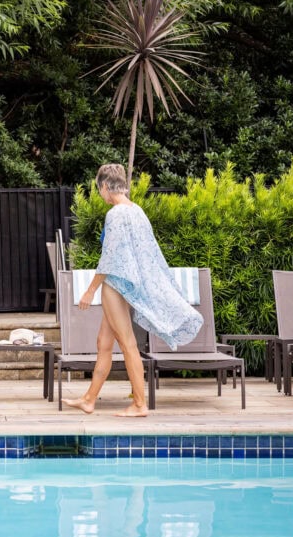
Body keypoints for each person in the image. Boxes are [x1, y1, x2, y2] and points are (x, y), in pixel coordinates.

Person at [65, 163, 203, 417]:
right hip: (126, 285)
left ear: (106, 186)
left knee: (127, 344)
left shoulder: (116, 214)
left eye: (99, 190)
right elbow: (150, 252)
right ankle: (89, 399)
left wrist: (90, 290)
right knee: (103, 343)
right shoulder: (137, 211)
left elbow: (108, 258)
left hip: (115, 286)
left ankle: (139, 404)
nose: (101, 195)